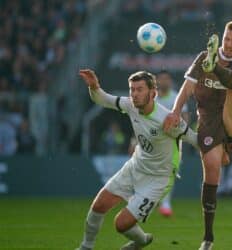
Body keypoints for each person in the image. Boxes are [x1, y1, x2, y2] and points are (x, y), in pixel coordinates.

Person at [163, 20, 232, 250]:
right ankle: (208, 237)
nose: (230, 44)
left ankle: (227, 145)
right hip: (208, 119)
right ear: (222, 38)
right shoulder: (202, 56)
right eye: (226, 39)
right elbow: (187, 88)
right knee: (213, 167)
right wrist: (175, 112)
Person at [76, 69, 197, 250]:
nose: (134, 94)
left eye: (139, 89)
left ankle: (141, 241)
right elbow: (102, 99)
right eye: (132, 89)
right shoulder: (131, 105)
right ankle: (86, 247)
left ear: (153, 93)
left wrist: (220, 153)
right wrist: (94, 86)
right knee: (98, 206)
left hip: (159, 178)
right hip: (135, 167)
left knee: (121, 224)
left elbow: (195, 139)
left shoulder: (167, 119)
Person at [156, 70, 189, 217]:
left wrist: (183, 134)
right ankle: (153, 198)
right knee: (152, 172)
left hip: (173, 140)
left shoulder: (177, 97)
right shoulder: (151, 98)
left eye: (167, 79)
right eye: (162, 79)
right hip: (154, 140)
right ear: (157, 81)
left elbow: (186, 117)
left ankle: (165, 203)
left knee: (171, 171)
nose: (165, 82)